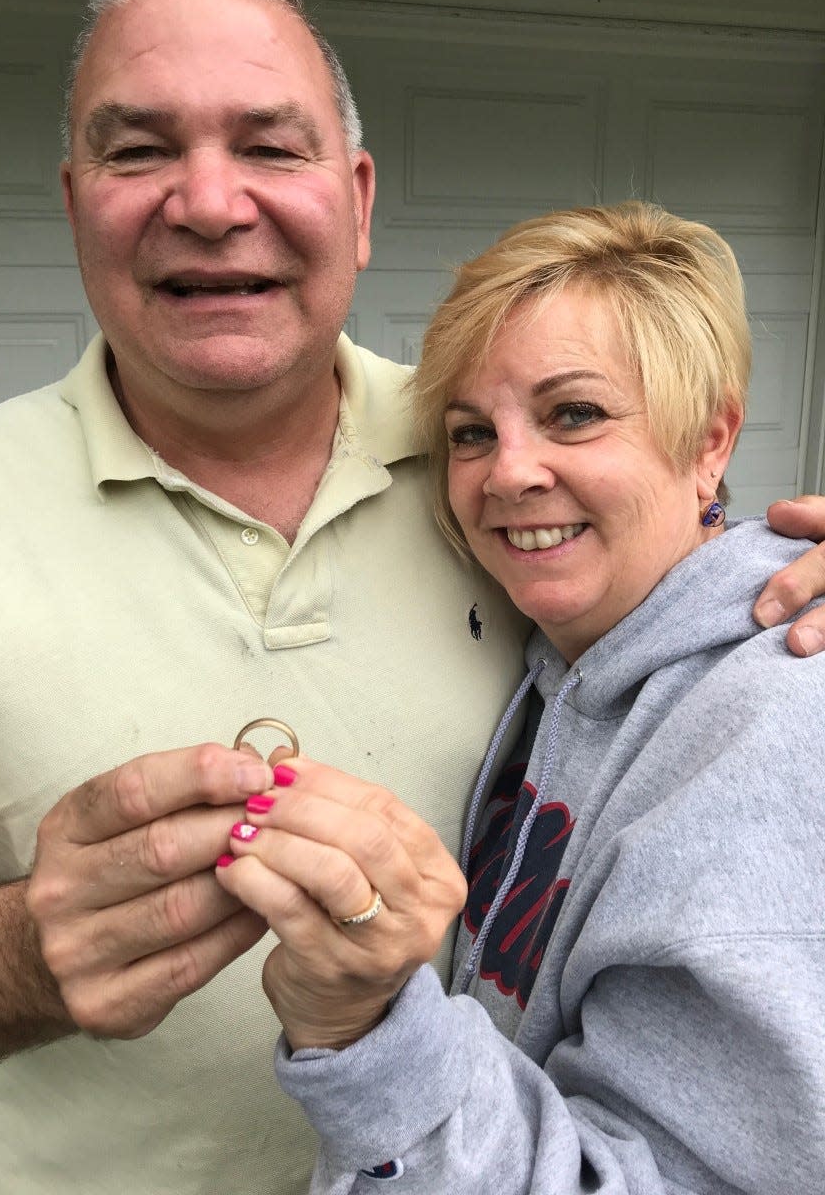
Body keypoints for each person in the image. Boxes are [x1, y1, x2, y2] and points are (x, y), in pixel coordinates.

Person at [0, 0, 822, 1195]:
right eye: (139, 146)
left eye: (268, 143)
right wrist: (26, 954)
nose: (209, 202)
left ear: (360, 198)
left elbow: (681, 568)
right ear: (75, 201)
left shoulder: (478, 464)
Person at [215, 202, 825, 1194]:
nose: (509, 471)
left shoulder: (775, 725)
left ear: (710, 436)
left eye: (574, 412)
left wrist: (363, 1032)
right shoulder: (561, 658)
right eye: (468, 431)